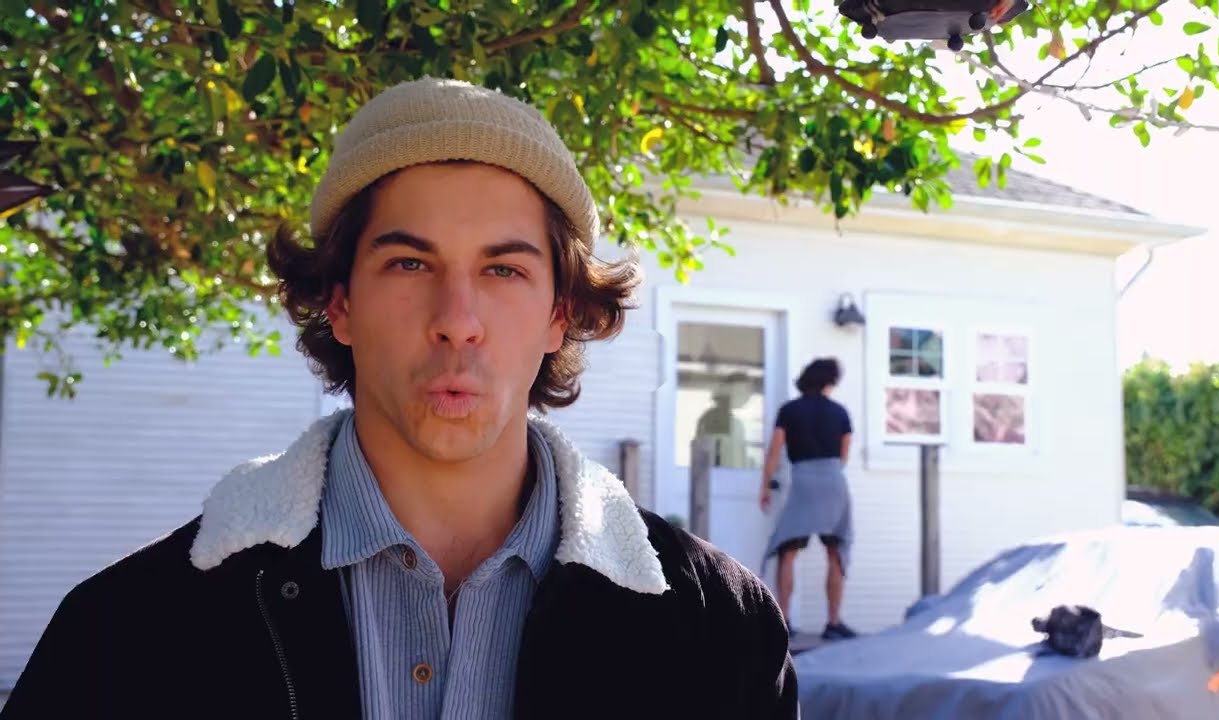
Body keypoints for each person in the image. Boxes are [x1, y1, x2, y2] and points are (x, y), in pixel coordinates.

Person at [1, 77, 796, 719]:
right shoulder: (131, 632)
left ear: (560, 314)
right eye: (409, 264)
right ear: (339, 304)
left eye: (504, 270)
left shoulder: (720, 632)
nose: (458, 320)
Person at [759, 357, 858, 641]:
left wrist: (764, 487)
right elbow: (844, 456)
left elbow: (775, 451)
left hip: (803, 481)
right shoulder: (840, 412)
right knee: (835, 551)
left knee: (788, 550)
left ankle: (784, 620)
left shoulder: (789, 410)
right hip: (833, 481)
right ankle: (834, 622)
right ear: (829, 381)